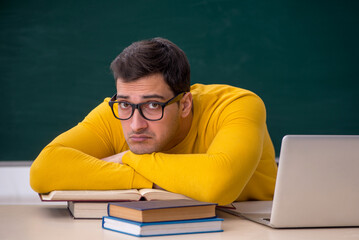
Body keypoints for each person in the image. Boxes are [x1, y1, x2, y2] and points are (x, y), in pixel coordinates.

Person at [30, 37, 277, 205]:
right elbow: (43, 171)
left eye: (153, 105)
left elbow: (218, 185)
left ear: (185, 104)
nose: (136, 124)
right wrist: (147, 177)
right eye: (126, 103)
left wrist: (128, 158)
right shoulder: (116, 111)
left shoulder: (236, 105)